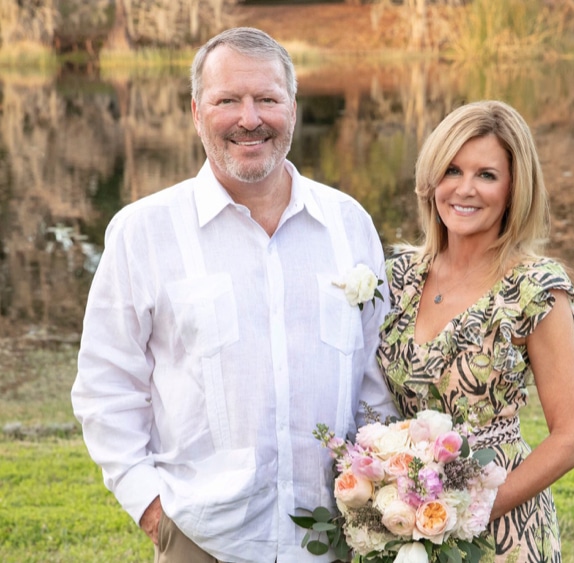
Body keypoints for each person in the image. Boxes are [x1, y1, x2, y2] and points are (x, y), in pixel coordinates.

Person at [72, 27, 397, 563]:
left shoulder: (348, 223)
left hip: (331, 540)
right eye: (228, 101)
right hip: (201, 539)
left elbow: (372, 382)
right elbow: (107, 387)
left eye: (267, 99)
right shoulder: (143, 232)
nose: (250, 118)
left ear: (291, 108)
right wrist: (154, 512)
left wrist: (376, 497)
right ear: (197, 112)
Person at [376, 100, 574, 562]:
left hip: (502, 529)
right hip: (405, 519)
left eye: (487, 175)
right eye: (452, 170)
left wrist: (474, 510)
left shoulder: (534, 289)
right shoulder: (398, 278)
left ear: (515, 188)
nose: (465, 189)